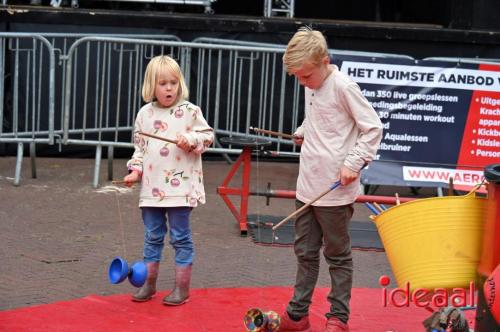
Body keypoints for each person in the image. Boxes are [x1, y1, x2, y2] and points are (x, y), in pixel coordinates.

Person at [279, 27, 383, 332]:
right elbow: (319, 119)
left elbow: (373, 128)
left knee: (337, 256)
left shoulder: (343, 86)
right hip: (307, 184)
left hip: (334, 191)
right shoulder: (312, 82)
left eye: (306, 76)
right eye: (298, 77)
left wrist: (353, 162)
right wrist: (302, 130)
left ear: (324, 60)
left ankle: (338, 317)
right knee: (305, 253)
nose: (302, 82)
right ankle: (298, 315)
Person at [123, 55, 214, 306]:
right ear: (151, 85)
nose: (169, 88)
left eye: (173, 82)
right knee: (152, 236)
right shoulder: (144, 114)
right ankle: (149, 285)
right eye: (162, 83)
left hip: (180, 190)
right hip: (151, 190)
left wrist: (192, 139)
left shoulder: (190, 111)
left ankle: (181, 289)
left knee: (180, 237)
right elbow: (139, 149)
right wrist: (135, 171)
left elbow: (208, 137)